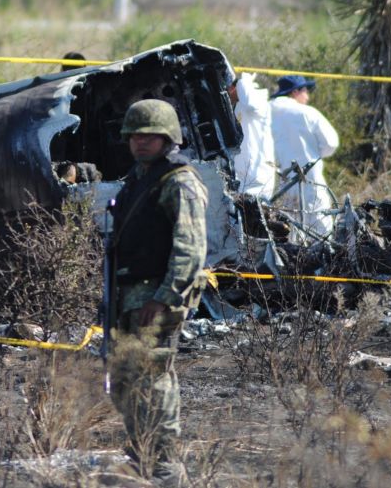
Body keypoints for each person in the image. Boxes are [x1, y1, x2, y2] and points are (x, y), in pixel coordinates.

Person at [108, 99, 208, 485]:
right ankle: (141, 455)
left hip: (155, 299)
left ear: (168, 138)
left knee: (153, 380)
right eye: (134, 135)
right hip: (128, 298)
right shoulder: (138, 179)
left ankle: (164, 465)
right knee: (127, 381)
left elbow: (191, 248)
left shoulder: (180, 182)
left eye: (150, 135)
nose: (140, 142)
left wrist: (165, 297)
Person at [269, 75, 339, 237]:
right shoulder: (307, 113)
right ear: (295, 92)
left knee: (286, 229)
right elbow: (331, 143)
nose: (307, 96)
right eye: (305, 91)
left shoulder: (266, 112)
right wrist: (313, 154)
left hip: (278, 182)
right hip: (309, 179)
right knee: (319, 230)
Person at [228, 72, 276, 199]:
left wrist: (242, 81)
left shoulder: (257, 100)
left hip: (257, 177)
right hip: (243, 178)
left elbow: (251, 103)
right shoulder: (239, 106)